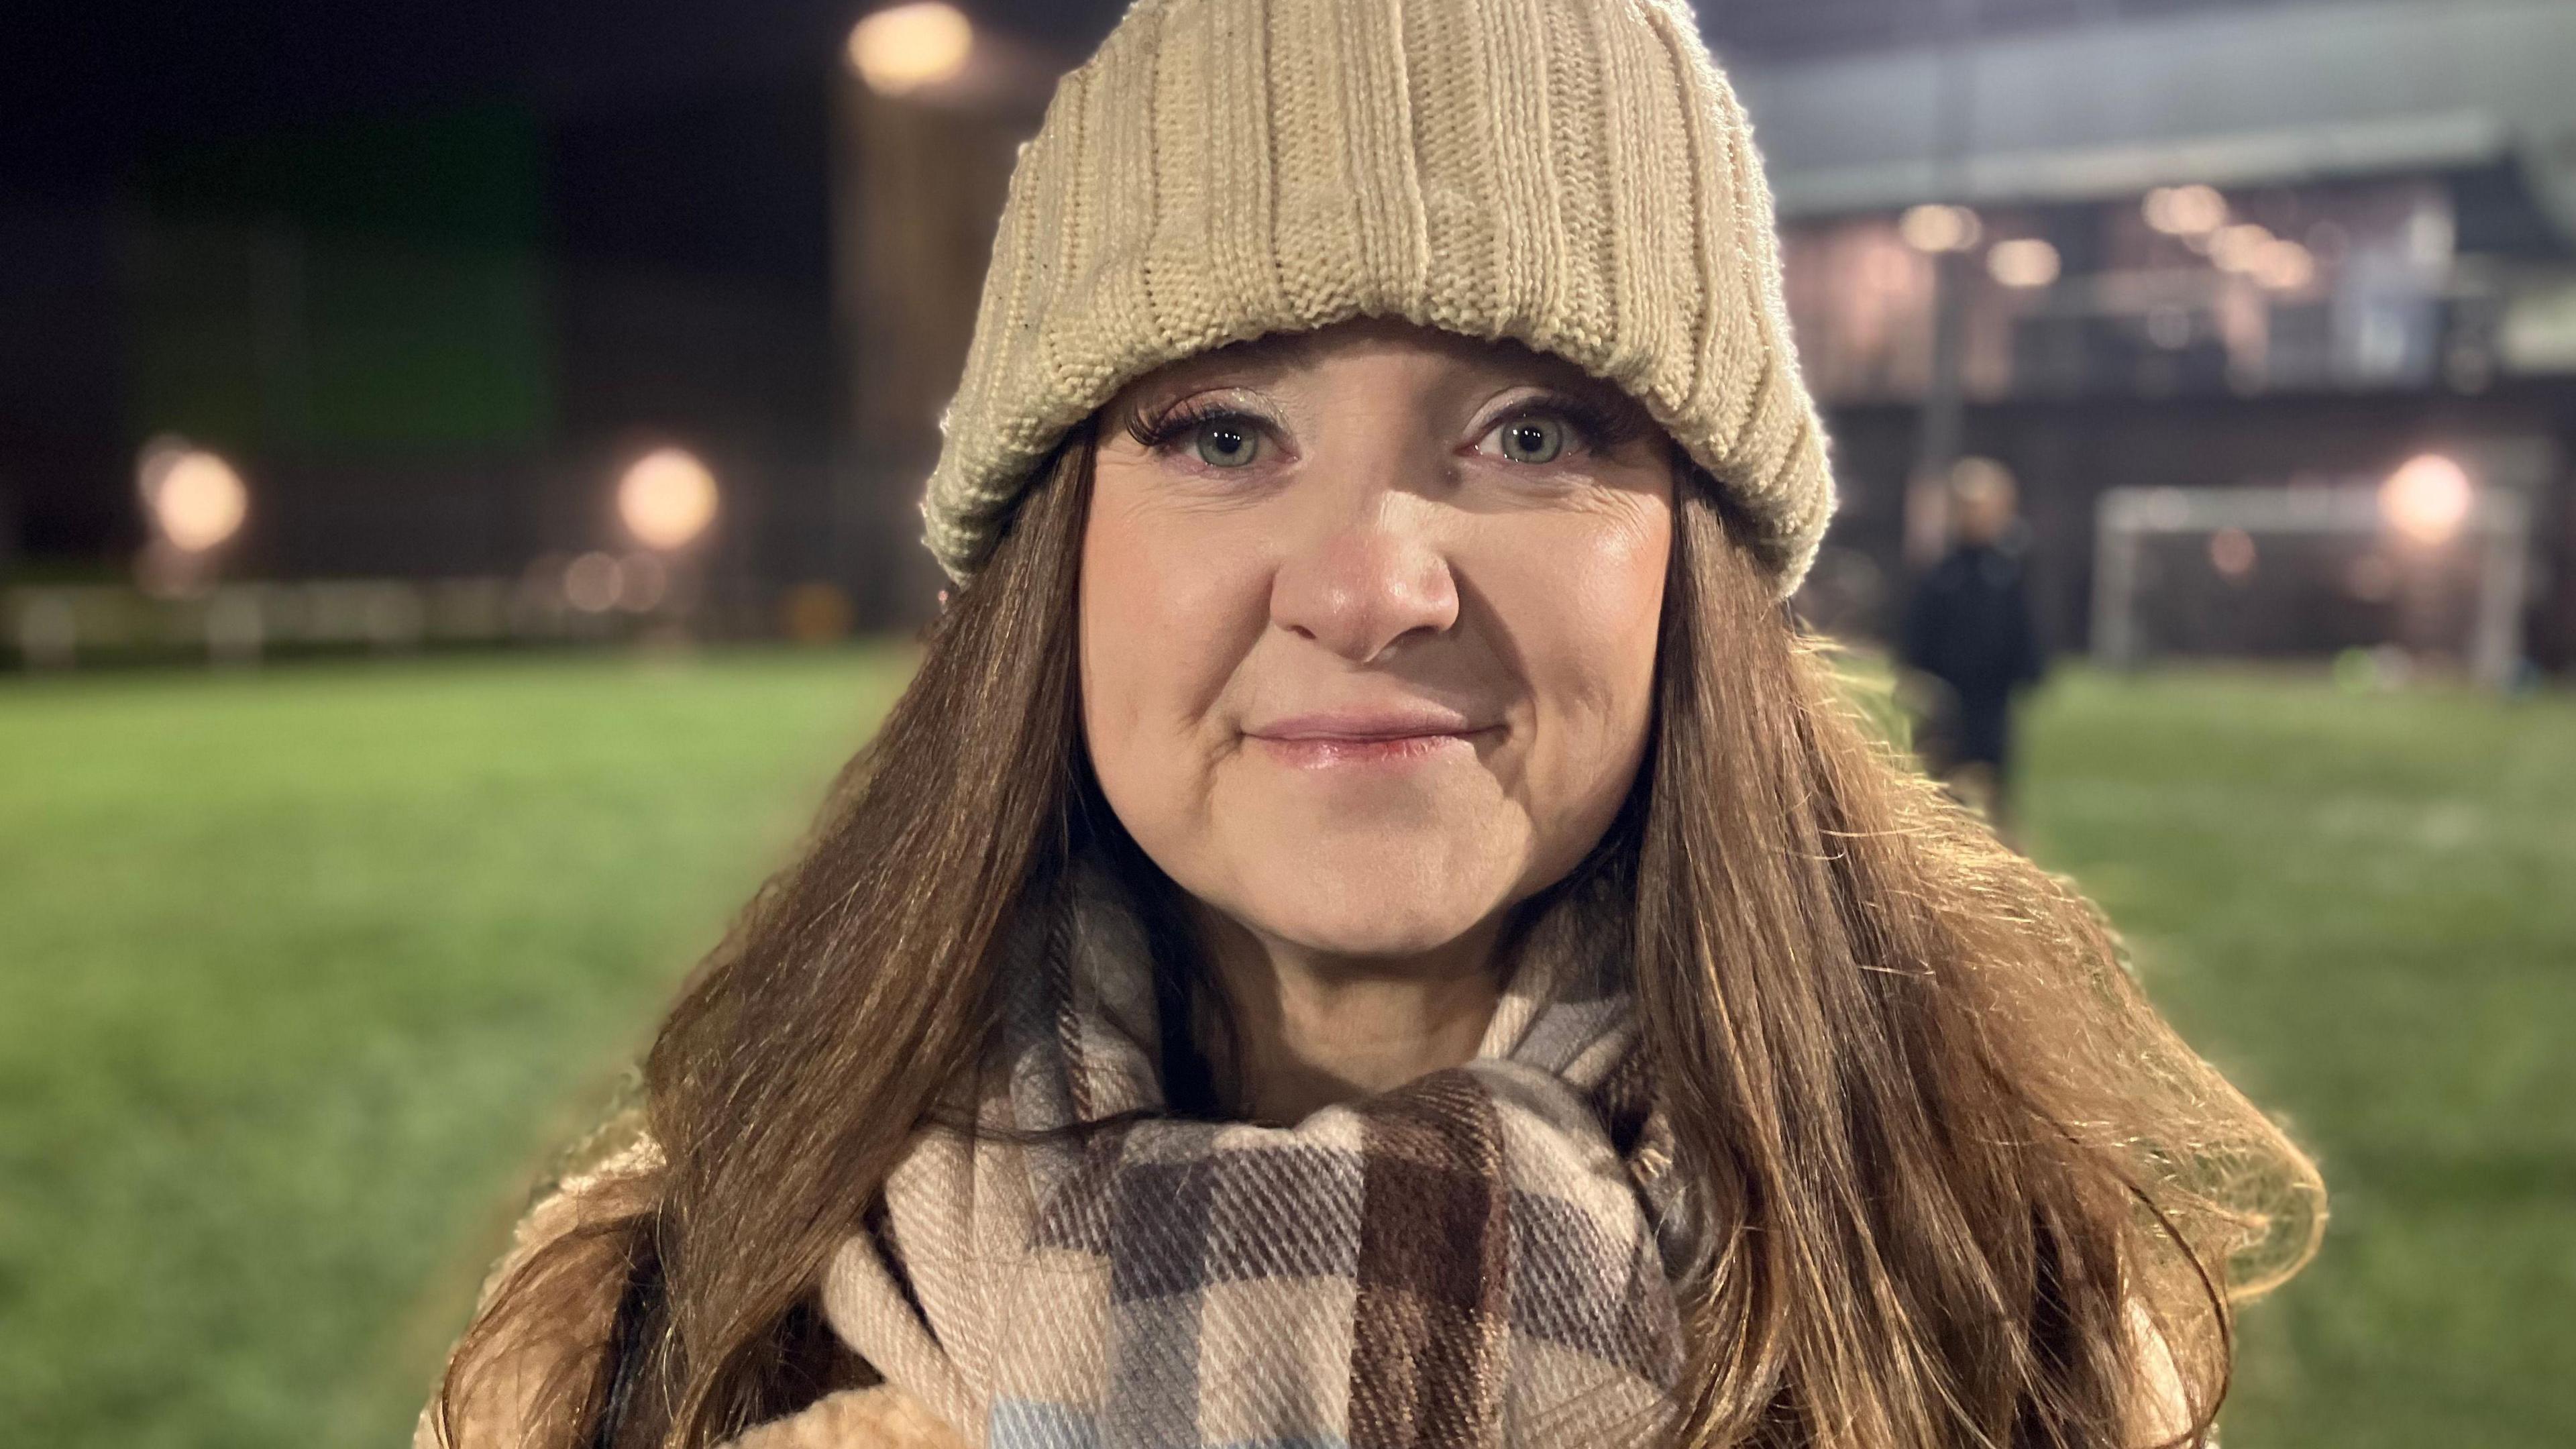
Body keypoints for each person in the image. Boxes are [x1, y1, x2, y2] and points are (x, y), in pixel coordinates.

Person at [420, 3, 2322, 1447]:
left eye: (1535, 433)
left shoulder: (2003, 1314)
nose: (1371, 584)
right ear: (1049, 555)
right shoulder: (632, 1336)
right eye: (1225, 433)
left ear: (1702, 564)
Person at [1899, 459, 2047, 839]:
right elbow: (1917, 634)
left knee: (1992, 795)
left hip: (1991, 705)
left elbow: (2023, 630)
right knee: (1944, 799)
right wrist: (1917, 677)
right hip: (1946, 705)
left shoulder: (2008, 573)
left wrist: (2030, 670)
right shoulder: (1940, 576)